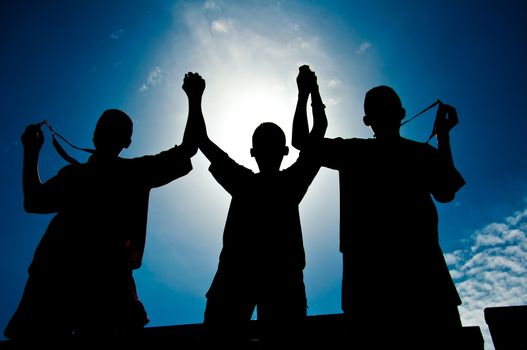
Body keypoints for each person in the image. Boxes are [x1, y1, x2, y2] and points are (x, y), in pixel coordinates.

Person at [4, 73, 203, 345]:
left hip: (83, 280)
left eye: (110, 127)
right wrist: (194, 97)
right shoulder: (90, 175)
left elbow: (33, 201)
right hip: (67, 279)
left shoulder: (118, 173)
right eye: (104, 126)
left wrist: (31, 151)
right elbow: (33, 202)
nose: (104, 130)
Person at [293, 84, 466, 348]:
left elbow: (300, 141)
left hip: (371, 279)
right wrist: (443, 137)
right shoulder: (419, 154)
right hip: (421, 275)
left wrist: (306, 93)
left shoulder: (354, 152)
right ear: (402, 112)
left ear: (367, 121)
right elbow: (446, 193)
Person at [193, 66, 327, 346]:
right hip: (280, 279)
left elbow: (201, 140)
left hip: (239, 277)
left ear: (252, 152)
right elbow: (318, 132)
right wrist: (308, 93)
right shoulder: (291, 182)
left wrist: (195, 100)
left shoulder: (243, 181)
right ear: (285, 150)